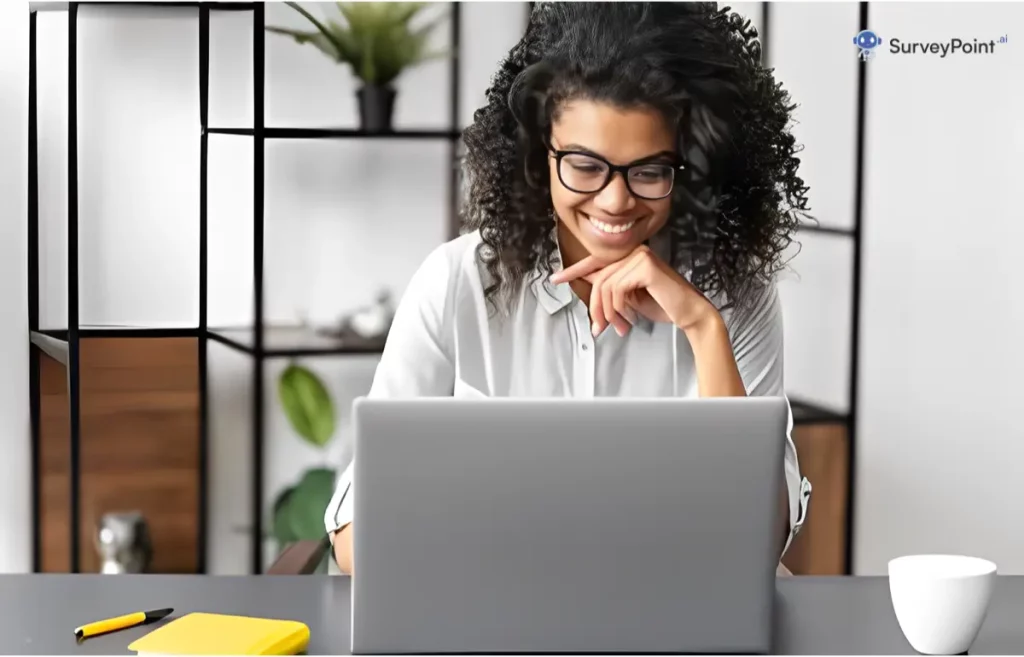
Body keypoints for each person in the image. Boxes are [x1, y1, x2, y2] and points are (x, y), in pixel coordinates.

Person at [325, 1, 813, 576]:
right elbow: (357, 543)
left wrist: (704, 329)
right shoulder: (457, 282)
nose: (615, 201)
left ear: (691, 167)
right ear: (539, 156)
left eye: (650, 171)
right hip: (493, 609)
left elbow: (752, 549)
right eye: (584, 165)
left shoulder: (735, 299)